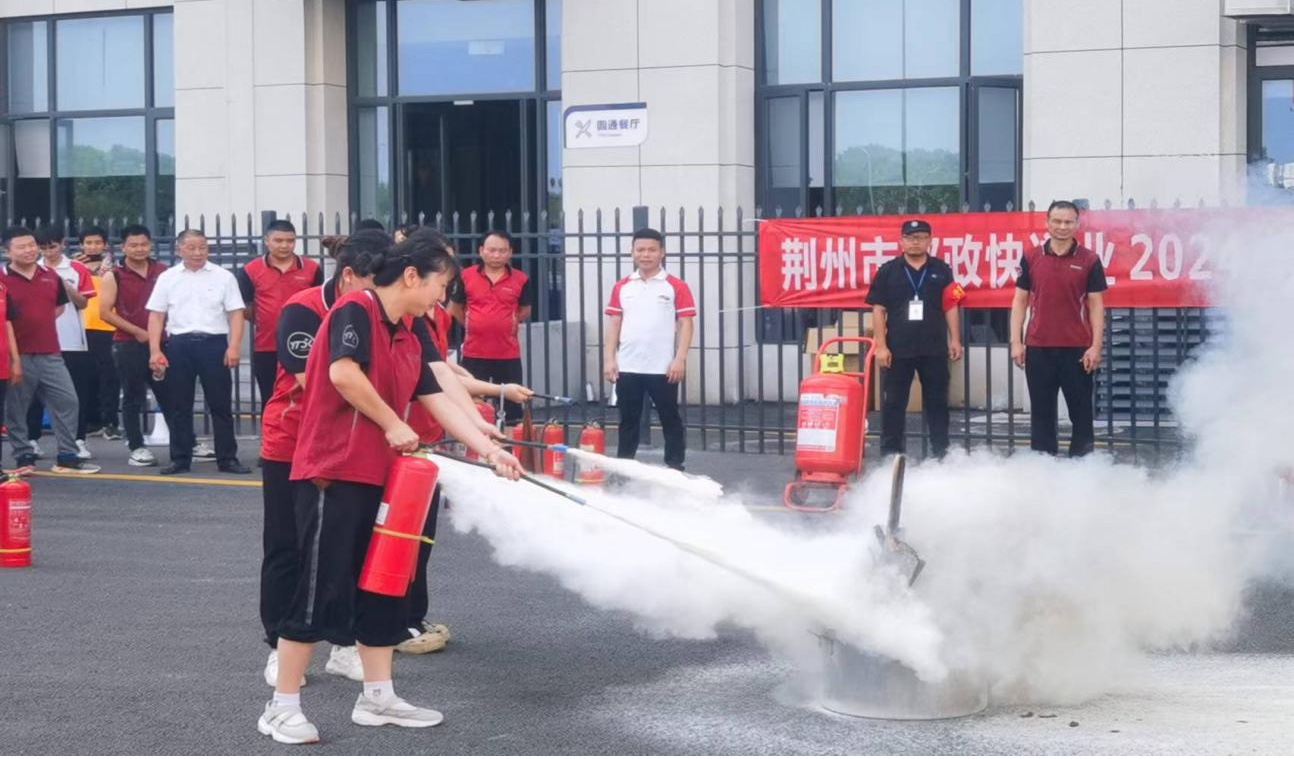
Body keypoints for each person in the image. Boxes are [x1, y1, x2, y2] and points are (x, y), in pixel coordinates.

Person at [259, 231, 521, 745]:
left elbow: (435, 396)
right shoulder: (356, 310)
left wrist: (489, 450)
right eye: (439, 286)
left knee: (381, 589)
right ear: (410, 276)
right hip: (333, 473)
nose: (440, 299)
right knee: (317, 591)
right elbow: (343, 374)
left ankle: (378, 699)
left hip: (381, 475)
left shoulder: (410, 329)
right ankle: (281, 706)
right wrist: (389, 423)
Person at [258, 231, 391, 690]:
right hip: (290, 444)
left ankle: (343, 644)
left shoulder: (378, 313)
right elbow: (321, 380)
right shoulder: (302, 309)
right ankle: (279, 646)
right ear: (349, 275)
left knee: (346, 549)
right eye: (375, 283)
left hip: (343, 448)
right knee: (287, 548)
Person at [146, 229, 251, 474]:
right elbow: (156, 315)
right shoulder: (168, 278)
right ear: (178, 249)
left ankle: (227, 459)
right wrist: (155, 350)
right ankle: (180, 458)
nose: (198, 252)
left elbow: (236, 313)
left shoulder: (223, 276)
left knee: (220, 404)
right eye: (191, 247)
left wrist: (234, 346)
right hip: (179, 345)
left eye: (202, 247)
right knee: (179, 405)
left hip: (214, 344)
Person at [1010, 200, 1108, 457]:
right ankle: (1044, 471)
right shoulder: (1032, 257)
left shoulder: (1089, 260)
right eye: (1057, 221)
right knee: (1042, 416)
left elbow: (1096, 305)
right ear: (1047, 223)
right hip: (1039, 348)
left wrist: (1095, 346)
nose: (1062, 226)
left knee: (1081, 415)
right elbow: (1020, 300)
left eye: (1068, 222)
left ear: (1077, 224)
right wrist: (1016, 342)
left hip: (1077, 349)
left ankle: (1082, 469)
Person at [0, 226, 99, 474]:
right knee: (17, 408)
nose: (29, 250)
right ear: (7, 251)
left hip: (50, 351)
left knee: (67, 400)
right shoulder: (2, 279)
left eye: (31, 245)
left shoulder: (51, 276)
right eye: (21, 246)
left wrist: (38, 323)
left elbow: (58, 308)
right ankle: (23, 455)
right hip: (17, 355)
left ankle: (67, 454)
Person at [866, 219, 965, 459]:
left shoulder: (941, 270)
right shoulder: (887, 271)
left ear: (930, 241)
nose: (915, 242)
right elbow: (878, 310)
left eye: (921, 237)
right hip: (898, 349)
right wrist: (881, 346)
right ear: (901, 241)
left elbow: (951, 305)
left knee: (937, 403)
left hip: (934, 348)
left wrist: (955, 340)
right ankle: (892, 454)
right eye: (910, 237)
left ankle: (941, 453)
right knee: (894, 404)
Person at [602, 228, 695, 471]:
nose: (646, 255)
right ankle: (623, 469)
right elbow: (614, 323)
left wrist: (680, 359)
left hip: (663, 367)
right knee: (628, 421)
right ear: (632, 253)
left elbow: (686, 323)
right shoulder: (622, 286)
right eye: (640, 250)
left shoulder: (675, 286)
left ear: (662, 252)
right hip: (628, 366)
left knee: (670, 418)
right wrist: (609, 359)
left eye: (652, 250)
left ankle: (675, 467)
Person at [98, 225, 171, 467]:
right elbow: (105, 313)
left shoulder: (163, 272)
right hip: (129, 344)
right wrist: (139, 332)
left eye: (143, 244)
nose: (139, 249)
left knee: (172, 394)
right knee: (133, 396)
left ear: (150, 245)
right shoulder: (114, 275)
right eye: (133, 245)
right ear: (123, 247)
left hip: (162, 342)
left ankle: (187, 442)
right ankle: (136, 446)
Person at [237, 219, 323, 407]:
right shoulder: (250, 270)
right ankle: (271, 437)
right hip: (266, 346)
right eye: (279, 240)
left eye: (290, 241)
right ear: (266, 241)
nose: (285, 245)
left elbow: (320, 304)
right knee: (270, 400)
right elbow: (246, 308)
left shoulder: (312, 268)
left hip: (304, 346)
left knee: (308, 399)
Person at [448, 230, 531, 423]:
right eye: (492, 250)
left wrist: (506, 323)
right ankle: (477, 449)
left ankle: (508, 448)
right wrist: (473, 324)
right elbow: (455, 308)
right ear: (481, 251)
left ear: (510, 252)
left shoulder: (521, 279)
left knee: (511, 408)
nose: (496, 255)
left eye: (502, 251)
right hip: (474, 353)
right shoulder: (465, 276)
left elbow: (525, 310)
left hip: (508, 353)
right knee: (473, 404)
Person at [31, 225, 97, 460]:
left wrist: (65, 285)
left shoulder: (76, 268)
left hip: (71, 340)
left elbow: (83, 303)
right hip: (38, 340)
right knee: (33, 392)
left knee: (74, 393)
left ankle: (77, 439)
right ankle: (32, 439)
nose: (49, 252)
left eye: (53, 246)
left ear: (61, 244)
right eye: (44, 248)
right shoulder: (31, 269)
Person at [74, 226, 122, 442]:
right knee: (85, 377)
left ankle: (110, 422)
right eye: (88, 242)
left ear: (105, 244)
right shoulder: (73, 266)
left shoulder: (114, 267)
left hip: (107, 326)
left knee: (109, 377)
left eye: (97, 242)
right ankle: (90, 421)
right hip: (80, 326)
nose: (93, 246)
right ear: (81, 244)